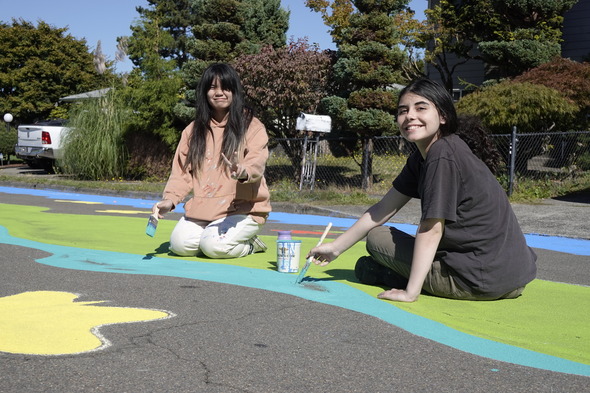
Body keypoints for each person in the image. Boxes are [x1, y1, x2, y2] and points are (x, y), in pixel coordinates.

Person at [307, 78, 537, 302]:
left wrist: (411, 292)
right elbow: (383, 208)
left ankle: (392, 276)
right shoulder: (428, 155)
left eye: (421, 108)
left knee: (377, 238)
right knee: (382, 234)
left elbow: (431, 229)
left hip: (477, 281)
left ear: (443, 116)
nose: (410, 116)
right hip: (512, 277)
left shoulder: (442, 155)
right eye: (403, 110)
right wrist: (336, 248)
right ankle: (396, 273)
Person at [152, 63, 271, 258]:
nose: (219, 93)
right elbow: (181, 173)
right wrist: (169, 200)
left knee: (214, 248)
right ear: (205, 92)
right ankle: (212, 235)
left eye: (225, 87)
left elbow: (257, 161)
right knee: (179, 246)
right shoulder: (192, 130)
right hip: (203, 210)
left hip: (242, 209)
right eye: (212, 87)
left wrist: (243, 171)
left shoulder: (252, 125)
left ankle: (251, 244)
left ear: (235, 91)